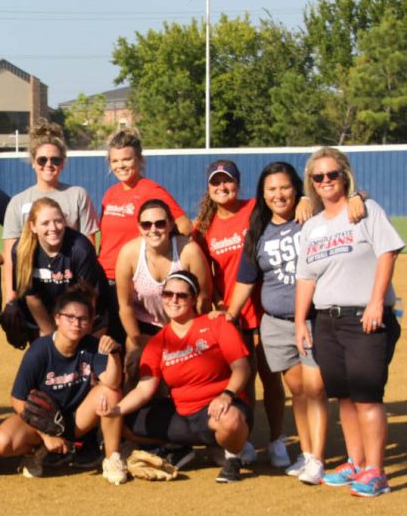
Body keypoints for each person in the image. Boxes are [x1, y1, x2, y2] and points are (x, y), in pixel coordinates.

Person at [295, 147, 402, 497]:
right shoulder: (311, 226)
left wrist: (376, 302)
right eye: (318, 176)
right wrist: (300, 322)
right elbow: (306, 278)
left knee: (367, 396)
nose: (326, 181)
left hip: (363, 318)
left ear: (344, 176)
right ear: (311, 183)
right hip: (327, 320)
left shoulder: (365, 211)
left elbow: (388, 252)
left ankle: (376, 471)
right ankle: (356, 462)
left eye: (332, 174)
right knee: (343, 397)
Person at [224, 162, 328, 484]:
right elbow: (246, 278)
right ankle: (307, 454)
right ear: (263, 194)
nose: (278, 194)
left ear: (296, 188)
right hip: (277, 323)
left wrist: (314, 199)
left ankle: (318, 459)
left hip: (313, 319)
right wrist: (230, 315)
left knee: (315, 388)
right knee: (296, 389)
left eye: (284, 187)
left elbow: (345, 202)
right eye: (271, 189)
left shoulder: (310, 217)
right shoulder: (259, 228)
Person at [194, 159, 294, 468]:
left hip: (265, 307)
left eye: (228, 181)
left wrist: (302, 202)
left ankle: (277, 440)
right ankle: (246, 438)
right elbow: (203, 271)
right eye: (216, 182)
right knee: (244, 378)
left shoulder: (254, 209)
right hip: (232, 313)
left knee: (271, 377)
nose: (222, 187)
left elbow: (286, 209)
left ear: (238, 183)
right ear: (209, 188)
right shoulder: (204, 226)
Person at [109, 271, 253, 484]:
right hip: (182, 414)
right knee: (126, 423)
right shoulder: (159, 341)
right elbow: (144, 389)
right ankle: (177, 448)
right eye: (168, 294)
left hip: (216, 406)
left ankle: (233, 457)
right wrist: (116, 410)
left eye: (181, 295)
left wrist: (227, 395)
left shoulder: (216, 325)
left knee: (230, 420)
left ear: (194, 299)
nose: (173, 300)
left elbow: (242, 368)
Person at [0, 286, 126, 484]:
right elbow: (17, 399)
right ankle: (37, 451)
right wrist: (45, 436)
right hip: (42, 421)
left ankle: (112, 459)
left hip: (75, 420)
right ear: (56, 319)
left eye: (82, 319)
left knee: (110, 394)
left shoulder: (91, 346)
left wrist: (114, 354)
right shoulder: (40, 350)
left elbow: (112, 383)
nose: (76, 323)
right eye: (69, 317)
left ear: (89, 323)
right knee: (0, 443)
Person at [114, 199, 211, 389]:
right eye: (146, 224)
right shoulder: (129, 254)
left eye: (160, 223)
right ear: (139, 227)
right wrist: (138, 341)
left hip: (184, 327)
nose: (153, 229)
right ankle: (131, 417)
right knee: (134, 370)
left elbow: (203, 299)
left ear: (170, 224)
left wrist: (195, 336)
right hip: (144, 328)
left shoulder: (189, 251)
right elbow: (124, 306)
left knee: (188, 378)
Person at [2, 120, 98, 303]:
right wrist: (10, 295)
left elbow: (89, 246)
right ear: (33, 162)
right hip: (32, 288)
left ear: (63, 163)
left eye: (55, 160)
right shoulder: (18, 201)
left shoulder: (77, 195)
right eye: (42, 160)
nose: (49, 164)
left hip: (70, 285)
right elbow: (10, 254)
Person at [98, 129, 192, 288]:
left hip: (133, 279)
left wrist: (161, 256)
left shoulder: (151, 190)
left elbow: (185, 226)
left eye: (127, 159)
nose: (120, 165)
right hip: (103, 277)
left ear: (139, 159)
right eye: (115, 161)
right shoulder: (110, 193)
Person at [11, 197, 108, 339]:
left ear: (64, 221)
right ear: (33, 226)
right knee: (47, 353)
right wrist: (52, 338)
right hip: (45, 311)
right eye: (45, 223)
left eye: (58, 221)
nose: (53, 228)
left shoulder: (80, 248)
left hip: (85, 312)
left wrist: (74, 337)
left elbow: (87, 299)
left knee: (84, 353)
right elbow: (32, 298)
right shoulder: (21, 250)